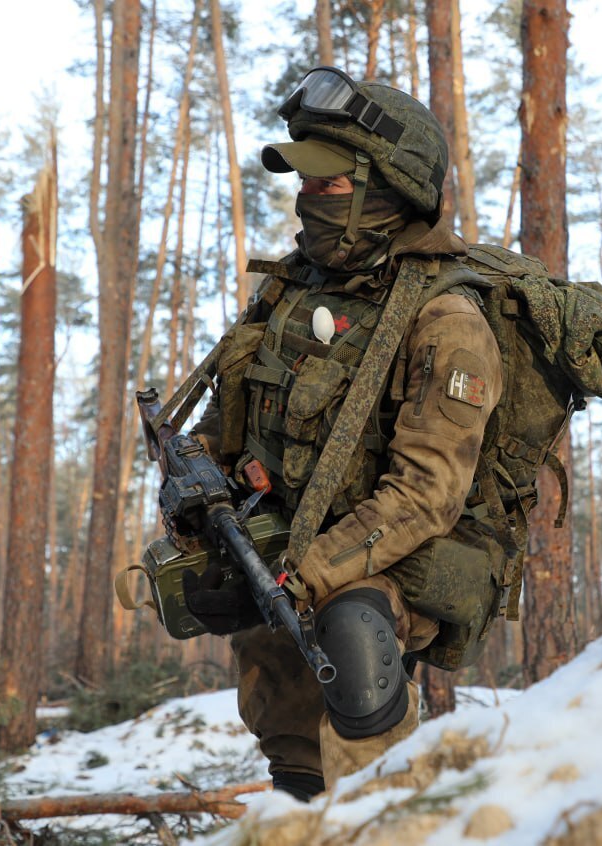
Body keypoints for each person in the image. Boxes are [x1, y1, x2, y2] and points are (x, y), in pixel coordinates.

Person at [182, 66, 504, 802]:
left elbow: (427, 495)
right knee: (281, 698)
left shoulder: (447, 320)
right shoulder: (291, 292)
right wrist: (201, 497)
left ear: (388, 190)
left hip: (402, 552)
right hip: (289, 541)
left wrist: (306, 574)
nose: (306, 196)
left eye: (326, 182)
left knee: (352, 630)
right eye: (303, 181)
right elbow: (226, 418)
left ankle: (381, 812)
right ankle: (302, 800)